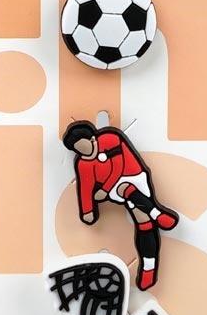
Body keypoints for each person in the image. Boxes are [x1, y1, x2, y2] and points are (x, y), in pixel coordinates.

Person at [62, 120, 179, 290]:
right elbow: (85, 186)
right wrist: (88, 210)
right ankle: (157, 214)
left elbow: (118, 166)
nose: (83, 152)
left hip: (133, 174)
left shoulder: (111, 138)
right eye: (78, 150)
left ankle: (149, 268)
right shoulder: (83, 164)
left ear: (92, 139)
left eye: (83, 146)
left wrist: (104, 190)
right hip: (117, 189)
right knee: (133, 203)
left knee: (143, 220)